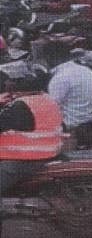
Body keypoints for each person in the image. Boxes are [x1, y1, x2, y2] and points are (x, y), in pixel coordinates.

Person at [0, 66, 63, 208]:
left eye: (9, 81)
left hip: (26, 158)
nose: (6, 84)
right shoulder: (44, 98)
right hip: (49, 151)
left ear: (15, 85)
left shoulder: (21, 106)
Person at [43, 40, 92, 132]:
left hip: (69, 124)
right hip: (89, 119)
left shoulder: (60, 77)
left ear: (49, 57)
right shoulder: (86, 70)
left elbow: (50, 107)